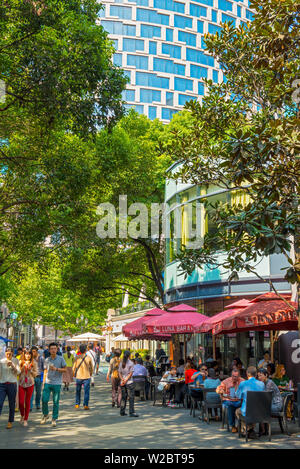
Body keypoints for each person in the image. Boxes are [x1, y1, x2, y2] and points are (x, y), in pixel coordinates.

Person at [41, 342, 67, 427]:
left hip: (57, 383)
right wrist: (43, 382)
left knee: (56, 402)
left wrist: (56, 369)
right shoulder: (47, 360)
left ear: (57, 349)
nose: (53, 350)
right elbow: (45, 371)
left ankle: (54, 418)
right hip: (48, 382)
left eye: (54, 348)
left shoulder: (61, 359)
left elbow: (65, 369)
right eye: (51, 349)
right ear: (49, 350)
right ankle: (45, 415)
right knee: (44, 400)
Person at [235, 366, 265, 438]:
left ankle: (246, 429)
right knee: (251, 410)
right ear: (256, 374)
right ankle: (250, 430)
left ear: (247, 374)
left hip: (248, 411)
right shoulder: (262, 384)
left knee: (237, 411)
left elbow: (238, 396)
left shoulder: (243, 384)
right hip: (260, 412)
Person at [0, 347, 21, 429]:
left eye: (10, 353)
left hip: (12, 384)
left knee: (11, 404)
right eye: (7, 353)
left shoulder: (15, 360)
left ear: (12, 353)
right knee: (0, 402)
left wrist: (12, 365)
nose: (8, 355)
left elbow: (18, 372)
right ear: (5, 353)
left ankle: (10, 421)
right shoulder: (1, 361)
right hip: (2, 384)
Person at [18, 349, 37, 426]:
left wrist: (31, 370)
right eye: (26, 354)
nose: (28, 355)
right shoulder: (20, 362)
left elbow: (36, 374)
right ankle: (22, 415)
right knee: (21, 402)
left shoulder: (34, 363)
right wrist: (23, 368)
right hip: (21, 383)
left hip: (30, 383)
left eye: (29, 354)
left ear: (31, 355)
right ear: (24, 355)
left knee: (27, 402)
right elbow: (17, 372)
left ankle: (26, 419)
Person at [73, 344, 94, 410]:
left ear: (79, 350)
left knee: (78, 391)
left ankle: (77, 404)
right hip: (87, 376)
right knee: (86, 391)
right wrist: (90, 373)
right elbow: (92, 368)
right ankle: (86, 405)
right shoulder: (88, 358)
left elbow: (74, 367)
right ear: (85, 350)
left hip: (79, 376)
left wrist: (74, 374)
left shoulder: (77, 357)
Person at [118, 350, 138, 417]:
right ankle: (131, 412)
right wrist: (126, 380)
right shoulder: (131, 363)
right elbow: (131, 373)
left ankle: (122, 411)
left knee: (124, 397)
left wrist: (122, 380)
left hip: (122, 382)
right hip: (129, 382)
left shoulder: (121, 363)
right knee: (131, 397)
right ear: (129, 356)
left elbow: (119, 372)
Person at [30, 345, 44, 411]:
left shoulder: (41, 358)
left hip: (39, 377)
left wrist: (43, 378)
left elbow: (44, 368)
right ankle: (30, 406)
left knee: (38, 392)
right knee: (31, 392)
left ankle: (38, 404)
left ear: (37, 352)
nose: (33, 353)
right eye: (32, 352)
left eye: (34, 351)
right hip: (31, 377)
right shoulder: (30, 358)